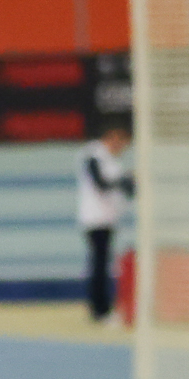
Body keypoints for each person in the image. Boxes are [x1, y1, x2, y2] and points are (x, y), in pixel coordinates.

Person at [76, 126, 134, 323]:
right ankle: (99, 310)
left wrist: (129, 182)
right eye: (121, 142)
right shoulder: (94, 156)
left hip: (108, 219)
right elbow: (101, 183)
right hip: (95, 220)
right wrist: (123, 180)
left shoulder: (112, 162)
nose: (122, 148)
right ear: (112, 137)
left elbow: (126, 190)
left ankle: (103, 307)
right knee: (99, 265)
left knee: (103, 265)